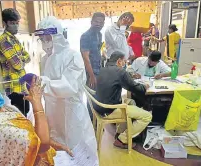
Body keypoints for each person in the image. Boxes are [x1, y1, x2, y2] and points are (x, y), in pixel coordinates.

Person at [0, 77, 73, 165]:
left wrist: (55, 145)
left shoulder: (6, 110)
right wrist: (37, 102)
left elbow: (32, 135)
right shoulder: (0, 129)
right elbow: (42, 144)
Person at [35, 16, 98, 158]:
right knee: (58, 149)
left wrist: (40, 82)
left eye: (48, 38)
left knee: (76, 149)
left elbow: (69, 86)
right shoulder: (44, 59)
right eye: (42, 39)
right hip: (52, 111)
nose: (45, 42)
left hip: (71, 112)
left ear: (57, 36)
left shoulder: (72, 56)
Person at [95, 51, 152, 149]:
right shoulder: (120, 72)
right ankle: (122, 139)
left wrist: (129, 77)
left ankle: (120, 132)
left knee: (131, 102)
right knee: (147, 116)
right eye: (124, 62)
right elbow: (135, 88)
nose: (124, 64)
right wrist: (145, 86)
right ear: (119, 61)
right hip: (109, 110)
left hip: (100, 107)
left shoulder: (102, 69)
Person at [0, 8, 31, 116]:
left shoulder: (14, 39)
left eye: (17, 23)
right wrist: (21, 59)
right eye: (12, 23)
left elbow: (28, 57)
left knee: (26, 113)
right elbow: (18, 65)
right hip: (14, 88)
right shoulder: (4, 40)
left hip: (22, 85)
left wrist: (20, 59)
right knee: (21, 118)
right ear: (5, 23)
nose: (16, 26)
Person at [80, 12, 105, 89]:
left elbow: (98, 51)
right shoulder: (86, 36)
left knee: (99, 95)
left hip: (99, 70)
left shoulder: (99, 34)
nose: (98, 24)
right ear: (91, 22)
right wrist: (92, 76)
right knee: (92, 97)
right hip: (90, 72)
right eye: (96, 22)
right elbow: (85, 58)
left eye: (101, 22)